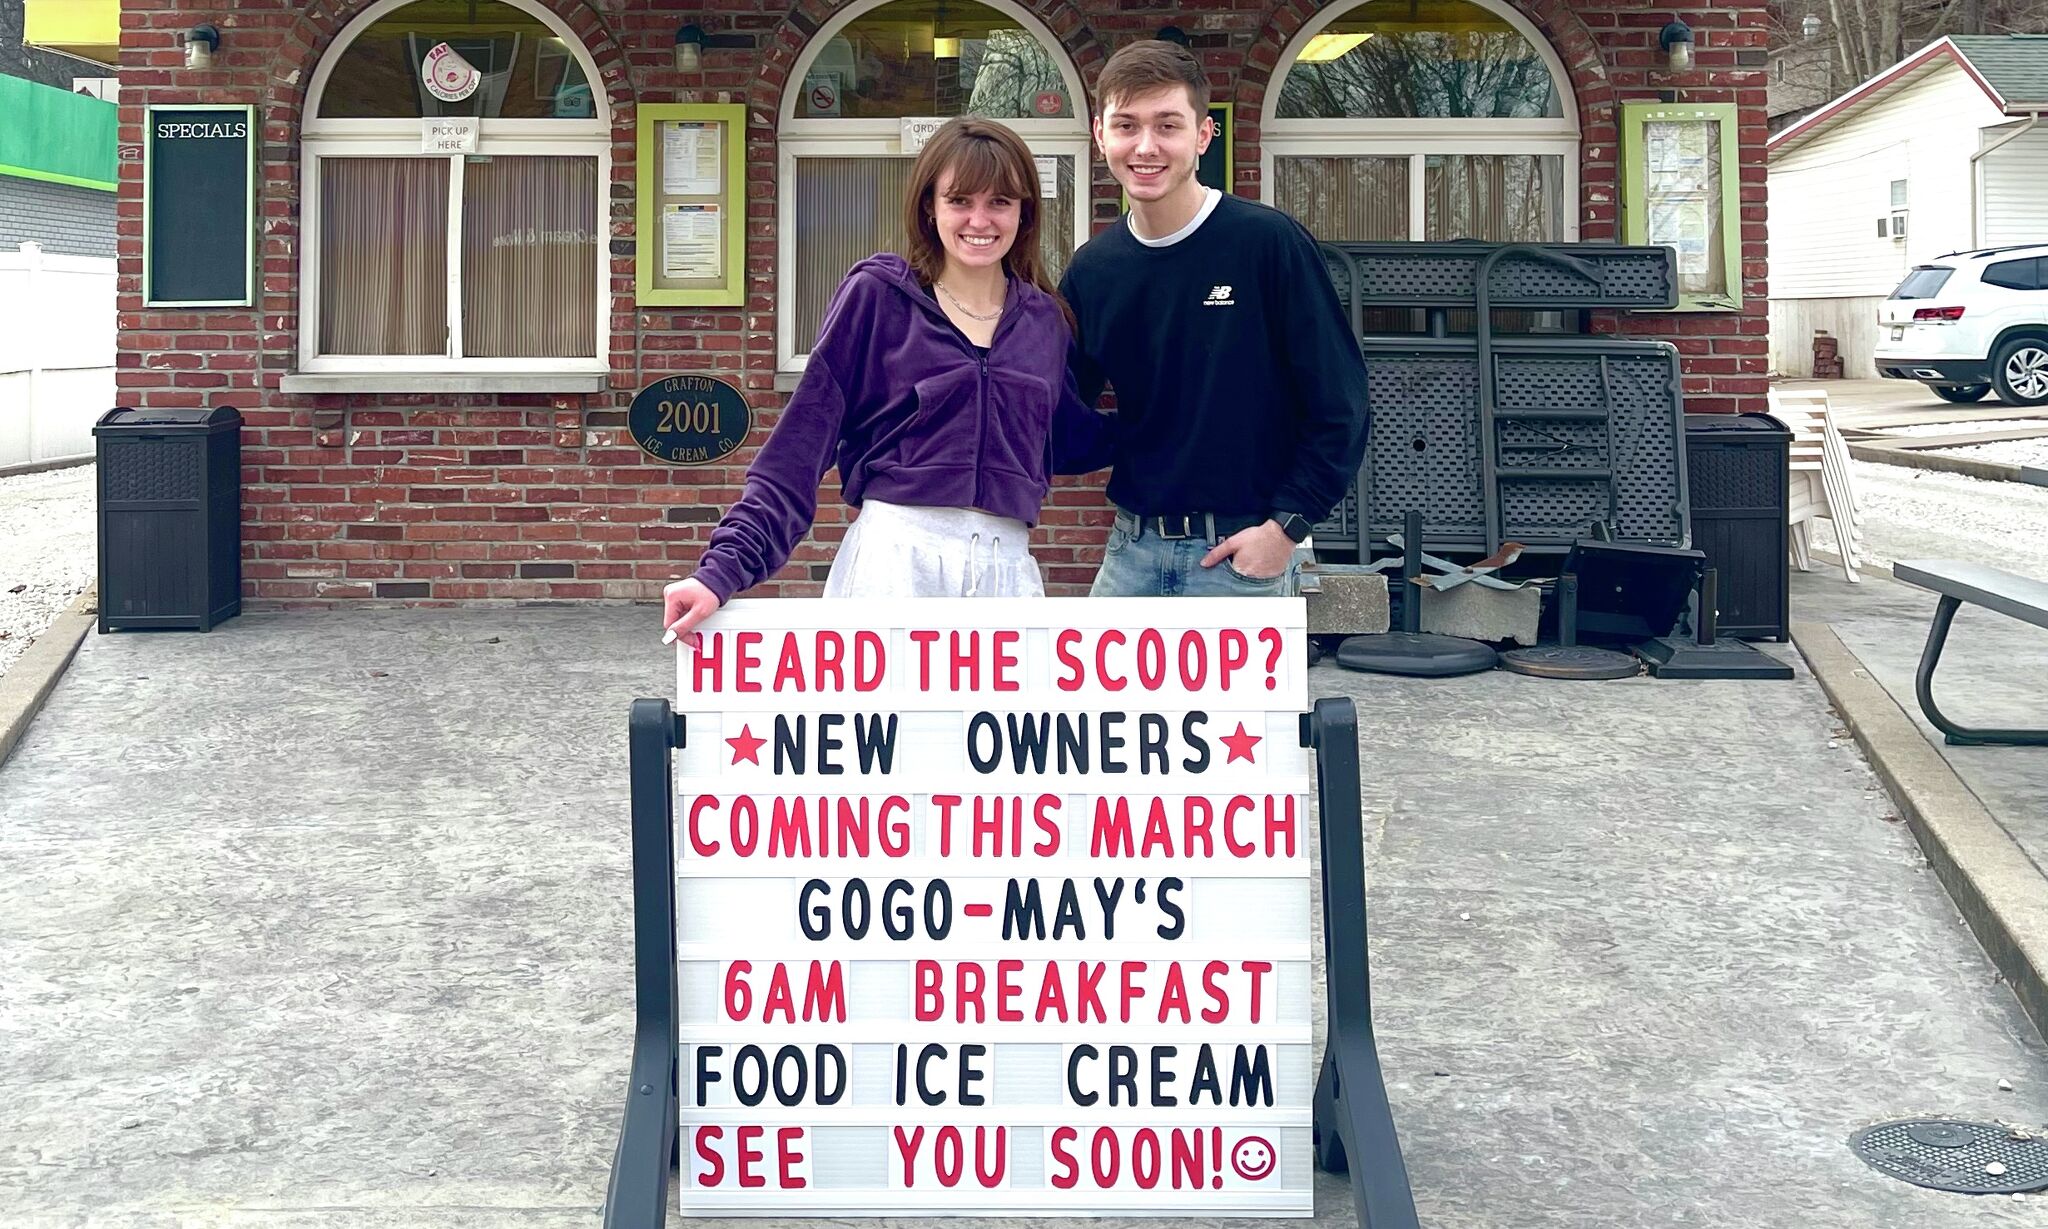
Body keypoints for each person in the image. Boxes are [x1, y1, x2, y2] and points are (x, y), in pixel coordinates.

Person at [662, 118, 1110, 643]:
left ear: (1024, 212)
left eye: (1000, 202)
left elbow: (1068, 437)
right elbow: (798, 450)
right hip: (894, 567)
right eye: (959, 200)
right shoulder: (878, 298)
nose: (979, 220)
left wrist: (1179, 422)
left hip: (1005, 571)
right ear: (930, 206)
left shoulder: (1043, 322)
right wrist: (720, 572)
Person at [1060, 40, 1369, 597]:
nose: (1146, 146)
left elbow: (1341, 404)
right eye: (1126, 125)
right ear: (1100, 136)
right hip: (1130, 553)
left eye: (1168, 126)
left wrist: (1286, 529)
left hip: (1241, 556)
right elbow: (1059, 410)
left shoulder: (1267, 243)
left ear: (1203, 136)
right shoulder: (1093, 270)